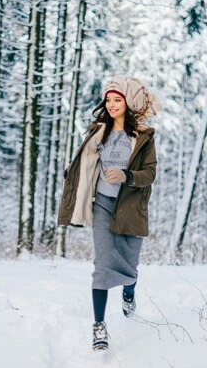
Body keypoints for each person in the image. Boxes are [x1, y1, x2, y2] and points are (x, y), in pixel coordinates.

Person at [57, 76, 161, 351]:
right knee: (102, 264)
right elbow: (84, 161)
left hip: (130, 209)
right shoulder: (97, 131)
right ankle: (99, 327)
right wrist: (73, 175)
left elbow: (150, 173)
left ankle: (129, 292)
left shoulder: (143, 135)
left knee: (130, 266)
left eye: (118, 100)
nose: (112, 104)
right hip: (102, 204)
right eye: (108, 99)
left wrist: (127, 175)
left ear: (128, 103)